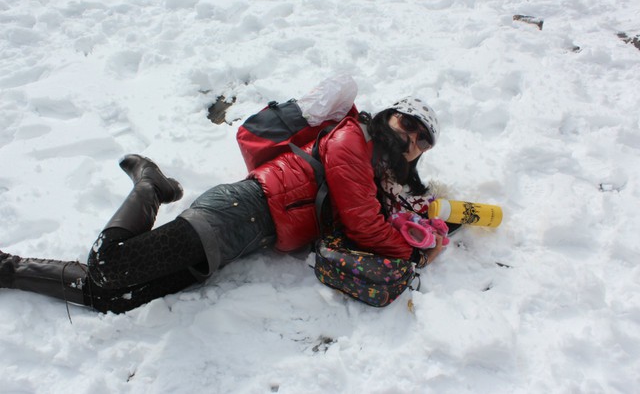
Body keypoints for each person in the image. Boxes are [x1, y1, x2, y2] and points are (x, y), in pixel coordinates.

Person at [0, 96, 445, 314]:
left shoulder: (375, 174)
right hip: (238, 210)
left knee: (114, 298)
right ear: (388, 115)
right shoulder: (353, 141)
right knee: (109, 267)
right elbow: (365, 225)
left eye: (420, 139)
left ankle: (8, 270)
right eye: (407, 123)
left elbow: (378, 214)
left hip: (243, 238)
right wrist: (419, 251)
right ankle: (150, 185)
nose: (409, 137)